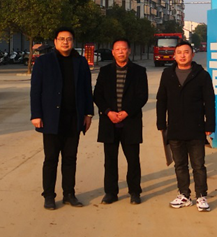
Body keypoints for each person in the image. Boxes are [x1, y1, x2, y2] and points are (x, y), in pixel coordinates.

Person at [30, 27, 94, 210]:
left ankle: (69, 194)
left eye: (69, 39)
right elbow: (36, 90)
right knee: (51, 159)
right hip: (51, 118)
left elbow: (86, 89)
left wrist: (88, 114)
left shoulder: (80, 62)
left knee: (70, 158)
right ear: (55, 41)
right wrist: (36, 114)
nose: (66, 42)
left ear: (73, 41)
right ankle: (49, 195)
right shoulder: (44, 62)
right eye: (62, 39)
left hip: (73, 118)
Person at [156, 40, 215, 212]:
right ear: (174, 56)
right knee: (180, 165)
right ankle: (184, 195)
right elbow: (161, 100)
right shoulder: (168, 74)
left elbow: (209, 102)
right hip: (174, 128)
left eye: (186, 52)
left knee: (198, 165)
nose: (183, 55)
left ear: (192, 54)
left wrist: (209, 124)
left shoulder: (202, 75)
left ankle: (201, 196)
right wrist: (161, 123)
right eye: (179, 52)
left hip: (196, 127)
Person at [93, 38, 148, 205]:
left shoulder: (139, 71)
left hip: (130, 121)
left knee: (133, 159)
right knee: (110, 160)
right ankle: (110, 192)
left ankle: (134, 192)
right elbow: (97, 95)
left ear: (129, 51)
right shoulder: (105, 71)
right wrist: (108, 112)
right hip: (109, 121)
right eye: (117, 49)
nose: (121, 52)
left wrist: (126, 112)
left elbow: (142, 96)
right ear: (113, 52)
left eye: (124, 49)